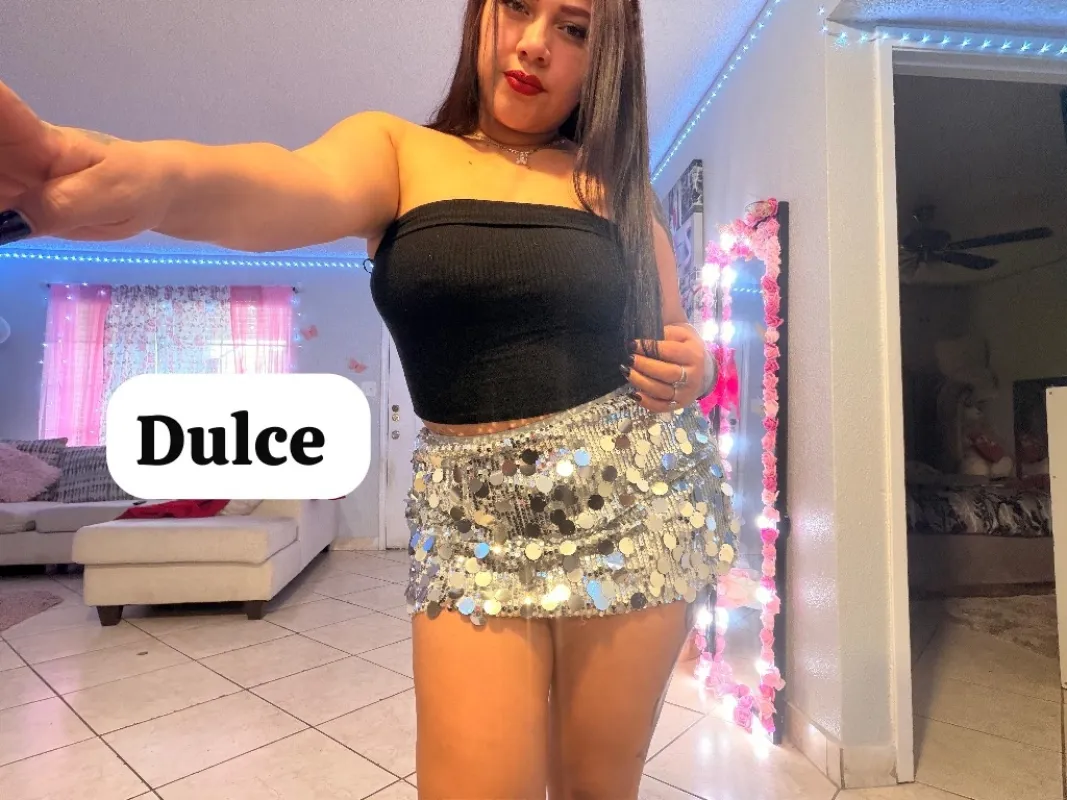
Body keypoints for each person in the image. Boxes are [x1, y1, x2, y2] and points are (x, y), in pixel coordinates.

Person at [0, 1, 738, 797]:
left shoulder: (616, 187)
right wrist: (145, 179)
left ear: (606, 57)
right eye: (518, 7)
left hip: (631, 501)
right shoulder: (397, 150)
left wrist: (693, 367)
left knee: (597, 786)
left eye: (574, 29)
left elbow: (668, 334)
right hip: (469, 522)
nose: (533, 45)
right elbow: (280, 183)